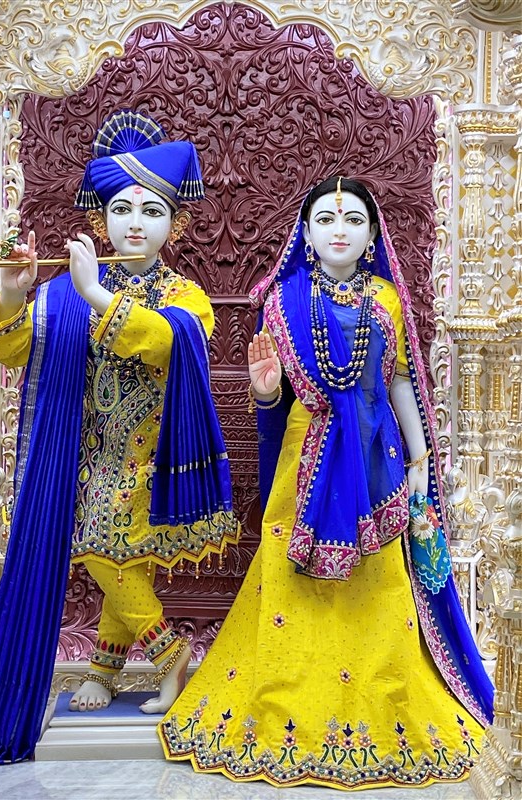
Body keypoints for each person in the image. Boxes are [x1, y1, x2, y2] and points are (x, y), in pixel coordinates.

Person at [158, 176, 493, 790]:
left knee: (380, 586)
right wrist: (264, 394)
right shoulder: (282, 301)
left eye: (354, 220)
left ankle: (381, 704)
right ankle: (287, 709)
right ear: (306, 235)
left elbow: (397, 381)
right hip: (304, 465)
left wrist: (421, 457)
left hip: (376, 463)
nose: (340, 230)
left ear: (372, 236)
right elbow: (274, 398)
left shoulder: (386, 300)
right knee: (293, 591)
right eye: (327, 220)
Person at [0, 110, 239, 765]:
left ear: (176, 225)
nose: (135, 223)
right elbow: (13, 349)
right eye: (121, 209)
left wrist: (96, 296)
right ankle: (107, 669)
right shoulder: (67, 292)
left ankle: (170, 656)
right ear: (100, 219)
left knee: (107, 552)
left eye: (152, 211)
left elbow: (168, 342)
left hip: (158, 459)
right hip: (86, 456)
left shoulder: (185, 295)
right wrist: (12, 295)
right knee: (118, 559)